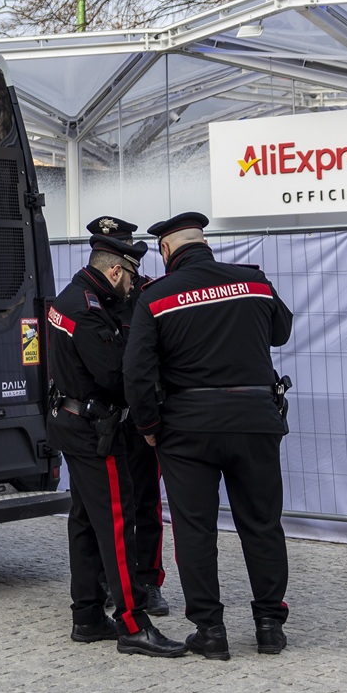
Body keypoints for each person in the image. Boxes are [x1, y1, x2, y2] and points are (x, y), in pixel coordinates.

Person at [123, 211, 294, 660]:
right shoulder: (253, 281)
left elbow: (137, 372)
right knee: (261, 523)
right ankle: (269, 625)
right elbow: (282, 331)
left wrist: (148, 428)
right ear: (205, 243)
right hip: (255, 418)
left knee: (195, 529)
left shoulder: (156, 297)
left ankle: (211, 631)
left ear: (166, 251)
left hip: (187, 426)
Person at [46, 218, 185, 658]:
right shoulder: (88, 311)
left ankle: (87, 616)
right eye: (130, 275)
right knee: (118, 522)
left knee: (85, 521)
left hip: (75, 421)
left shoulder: (75, 298)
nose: (133, 284)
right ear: (114, 272)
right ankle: (132, 623)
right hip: (95, 428)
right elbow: (113, 375)